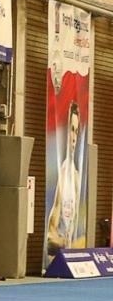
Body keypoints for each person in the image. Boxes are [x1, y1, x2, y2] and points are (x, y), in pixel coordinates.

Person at [45, 100, 84, 256]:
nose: (73, 136)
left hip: (68, 241)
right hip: (58, 240)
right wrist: (54, 236)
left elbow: (75, 215)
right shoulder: (63, 169)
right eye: (71, 130)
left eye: (76, 131)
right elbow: (56, 206)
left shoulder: (76, 175)